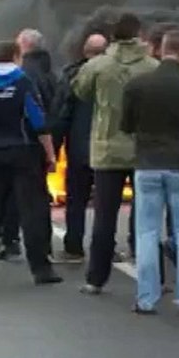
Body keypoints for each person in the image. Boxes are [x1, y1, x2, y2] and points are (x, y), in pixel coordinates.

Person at [121, 30, 179, 314]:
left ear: (161, 50)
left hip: (147, 165)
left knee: (146, 231)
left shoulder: (137, 85)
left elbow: (126, 126)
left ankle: (146, 298)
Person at [72, 12, 158, 295]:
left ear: (113, 36)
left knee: (104, 217)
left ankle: (96, 278)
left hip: (107, 150)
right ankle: (152, 276)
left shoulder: (98, 65)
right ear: (139, 35)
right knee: (146, 218)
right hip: (143, 150)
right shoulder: (152, 67)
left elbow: (81, 92)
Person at [0, 40, 63, 285]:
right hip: (23, 153)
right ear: (16, 56)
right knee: (30, 211)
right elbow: (38, 121)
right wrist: (51, 155)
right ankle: (41, 269)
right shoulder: (23, 82)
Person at [0, 28, 59, 261]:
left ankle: (11, 241)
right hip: (44, 142)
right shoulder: (51, 73)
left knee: (15, 195)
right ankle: (44, 246)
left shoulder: (22, 75)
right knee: (39, 196)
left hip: (21, 141)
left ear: (23, 47)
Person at [51, 33, 107, 263]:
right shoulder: (116, 75)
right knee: (106, 204)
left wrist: (53, 150)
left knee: (76, 201)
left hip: (79, 149)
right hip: (107, 151)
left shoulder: (72, 75)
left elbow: (62, 116)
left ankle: (74, 247)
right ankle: (106, 249)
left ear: (85, 52)